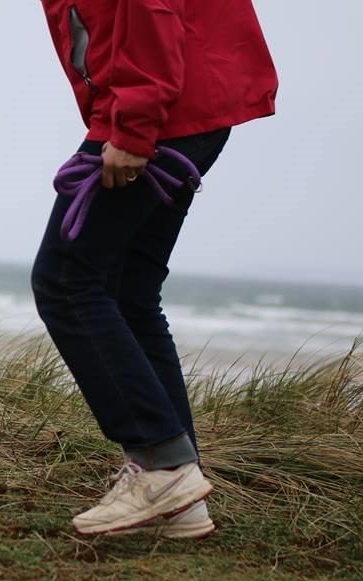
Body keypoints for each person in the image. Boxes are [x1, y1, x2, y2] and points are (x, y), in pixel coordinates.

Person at [32, 1, 278, 537]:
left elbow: (147, 7)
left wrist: (131, 125)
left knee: (65, 281)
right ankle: (179, 492)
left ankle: (163, 464)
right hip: (192, 103)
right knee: (128, 292)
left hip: (162, 108)